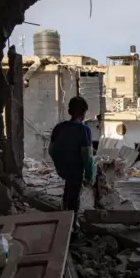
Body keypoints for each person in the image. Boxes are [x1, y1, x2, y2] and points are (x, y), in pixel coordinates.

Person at [48, 96, 94, 226]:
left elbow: (51, 150)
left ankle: (64, 215)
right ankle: (71, 226)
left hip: (63, 168)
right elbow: (87, 156)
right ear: (84, 113)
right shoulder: (84, 130)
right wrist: (89, 174)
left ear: (69, 111)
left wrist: (59, 164)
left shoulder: (59, 127)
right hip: (76, 169)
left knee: (68, 190)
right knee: (74, 197)